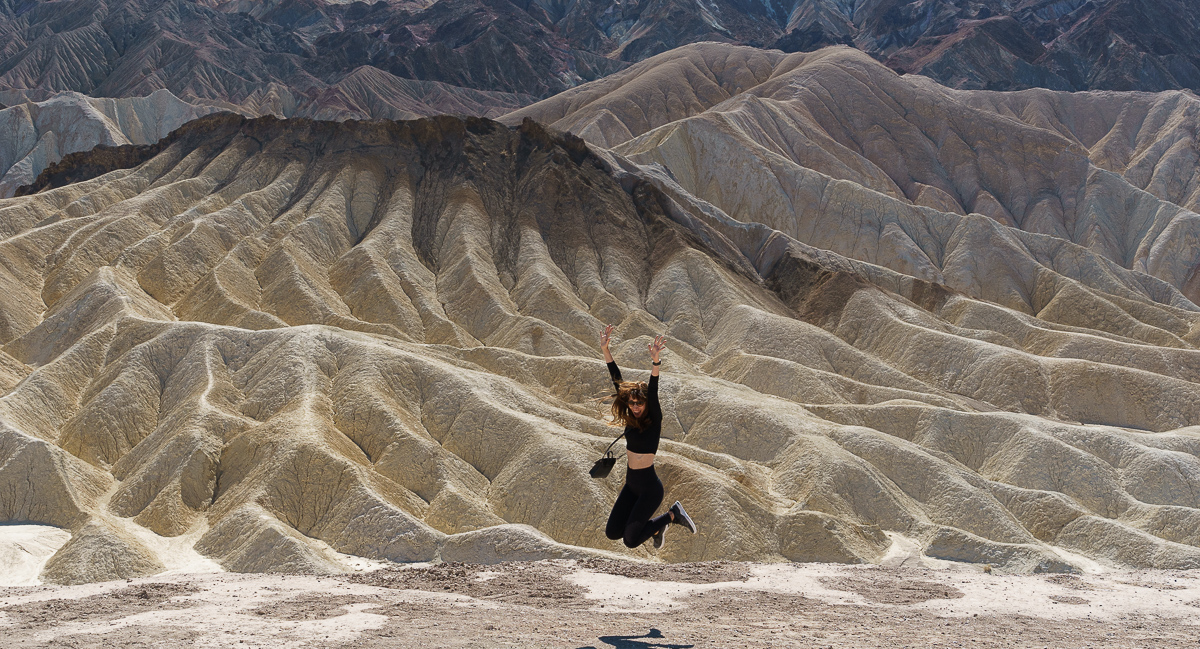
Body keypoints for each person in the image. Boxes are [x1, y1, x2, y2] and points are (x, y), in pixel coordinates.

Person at [600, 324, 697, 550]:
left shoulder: (655, 420)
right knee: (613, 532)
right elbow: (617, 380)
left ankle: (673, 514)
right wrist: (605, 349)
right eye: (632, 403)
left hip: (650, 489)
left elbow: (653, 390)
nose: (635, 406)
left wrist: (656, 363)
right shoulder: (630, 417)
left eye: (639, 403)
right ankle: (656, 527)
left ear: (647, 404)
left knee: (631, 540)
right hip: (631, 485)